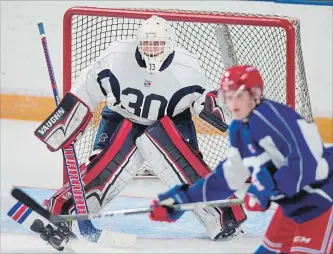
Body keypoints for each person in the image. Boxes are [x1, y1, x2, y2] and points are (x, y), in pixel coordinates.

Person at [33, 15, 247, 247]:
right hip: (120, 118)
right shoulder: (117, 57)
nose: (152, 49)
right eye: (147, 43)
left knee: (188, 172)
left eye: (158, 44)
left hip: (171, 123)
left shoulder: (186, 68)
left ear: (170, 43)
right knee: (103, 169)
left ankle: (222, 216)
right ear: (138, 42)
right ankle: (66, 212)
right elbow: (87, 86)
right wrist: (67, 119)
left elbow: (201, 101)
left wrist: (221, 106)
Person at [149, 65, 333, 254]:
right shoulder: (239, 128)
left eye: (239, 96)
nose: (232, 103)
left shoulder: (276, 118)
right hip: (294, 204)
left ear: (255, 95)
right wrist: (183, 199)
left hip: (323, 198)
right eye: (228, 97)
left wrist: (269, 188)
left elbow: (306, 162)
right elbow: (226, 178)